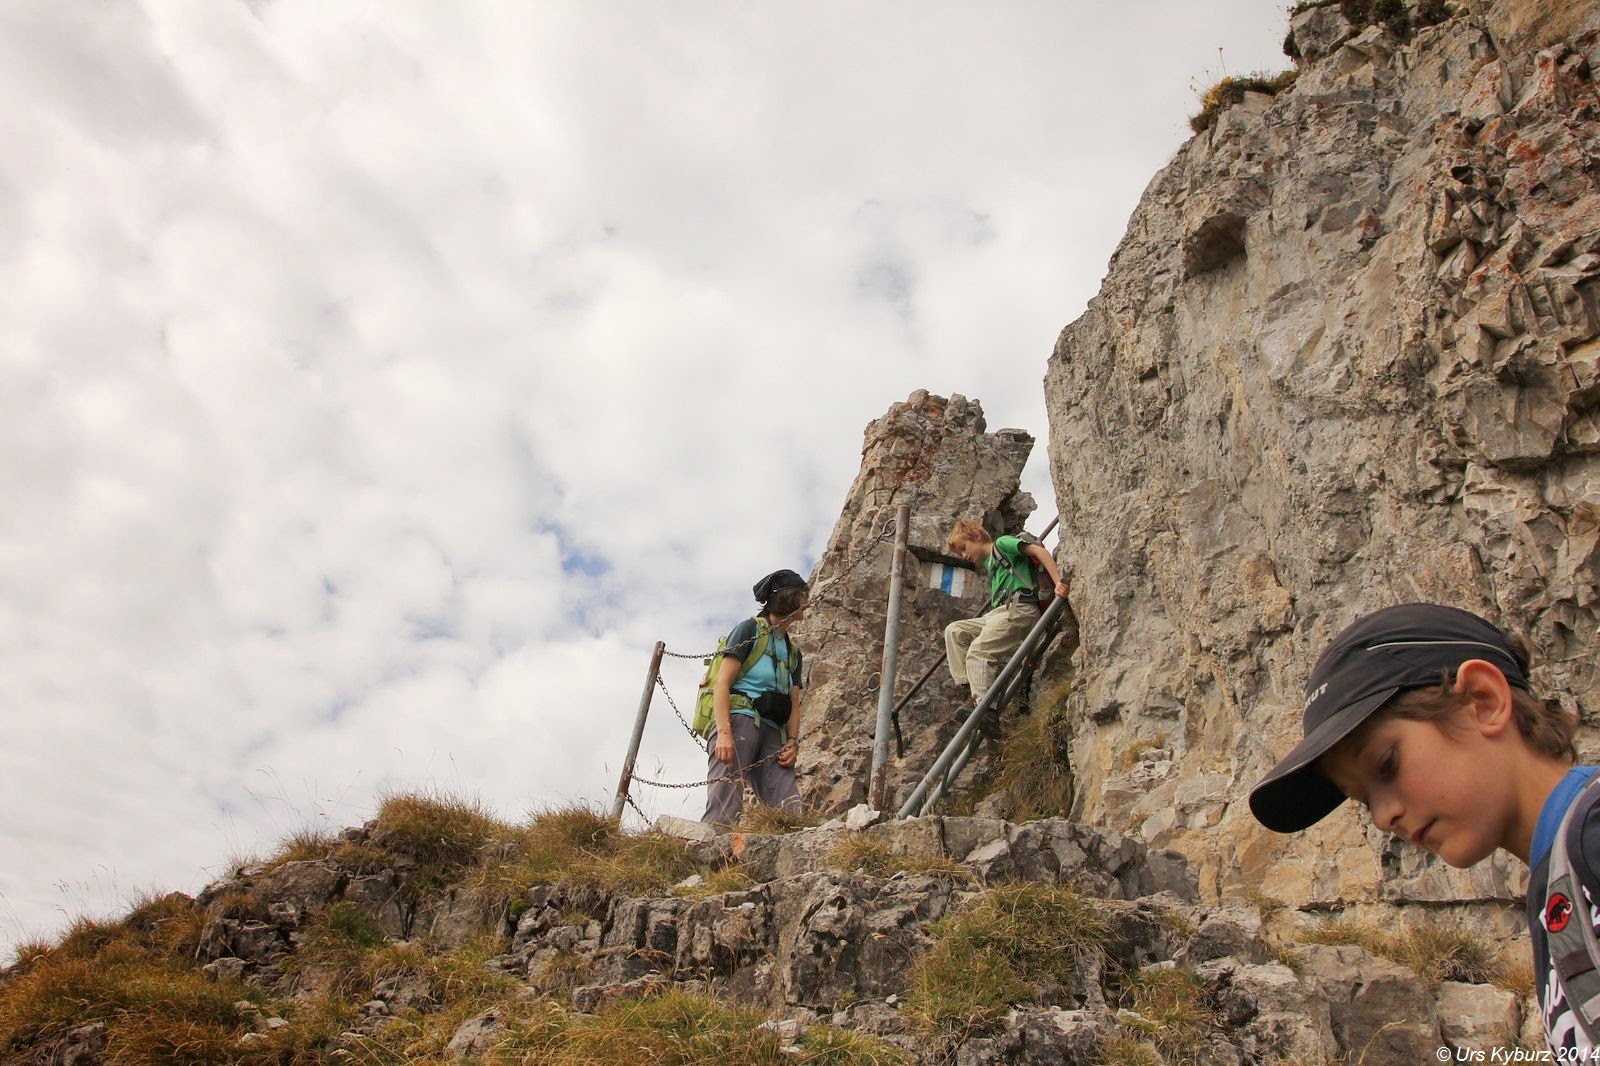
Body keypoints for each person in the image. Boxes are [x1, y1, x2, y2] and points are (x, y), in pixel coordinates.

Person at [1247, 603, 1591, 1053]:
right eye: (1364, 800)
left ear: (1484, 700)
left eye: (1387, 764)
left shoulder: (1591, 838)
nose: (1382, 817)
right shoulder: (1563, 873)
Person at [702, 569, 808, 826]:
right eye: (804, 595)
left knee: (790, 812)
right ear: (789, 598)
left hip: (774, 731)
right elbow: (722, 684)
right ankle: (711, 847)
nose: (808, 601)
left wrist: (792, 742)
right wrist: (724, 733)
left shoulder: (793, 652)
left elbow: (794, 703)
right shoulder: (749, 629)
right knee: (724, 804)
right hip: (739, 721)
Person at [943, 519, 1070, 709]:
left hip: (1020, 606)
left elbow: (1038, 551)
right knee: (954, 630)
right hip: (1003, 613)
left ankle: (987, 710)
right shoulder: (992, 569)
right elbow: (1007, 625)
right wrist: (1026, 648)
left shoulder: (1002, 544)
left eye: (963, 548)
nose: (963, 555)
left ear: (977, 536)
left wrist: (1058, 581)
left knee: (978, 651)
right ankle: (970, 688)